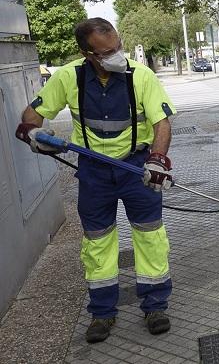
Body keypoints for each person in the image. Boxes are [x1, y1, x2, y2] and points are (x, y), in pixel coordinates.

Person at [15, 18, 176, 343]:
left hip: (137, 169)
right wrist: (34, 133)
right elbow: (30, 117)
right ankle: (103, 313)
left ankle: (155, 305)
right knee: (97, 242)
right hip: (93, 173)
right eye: (108, 52)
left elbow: (162, 123)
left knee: (150, 236)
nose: (118, 55)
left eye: (118, 47)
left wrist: (158, 160)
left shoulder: (140, 76)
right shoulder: (68, 77)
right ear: (88, 54)